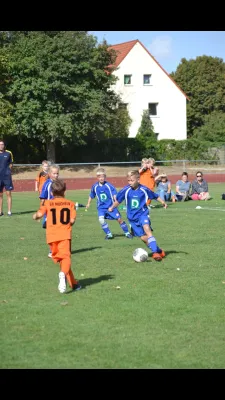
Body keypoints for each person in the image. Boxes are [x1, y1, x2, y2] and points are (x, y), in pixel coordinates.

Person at [33, 179, 81, 294]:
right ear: (64, 191)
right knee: (66, 258)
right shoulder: (70, 204)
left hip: (51, 236)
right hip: (64, 234)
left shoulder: (47, 203)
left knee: (63, 260)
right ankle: (62, 275)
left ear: (51, 193)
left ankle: (73, 283)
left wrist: (35, 216)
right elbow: (72, 221)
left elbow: (39, 215)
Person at [108, 170, 167, 261]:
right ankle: (158, 250)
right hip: (132, 219)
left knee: (147, 229)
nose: (130, 183)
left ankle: (155, 253)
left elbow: (155, 196)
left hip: (143, 215)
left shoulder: (144, 189)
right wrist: (112, 207)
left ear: (138, 180)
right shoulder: (126, 190)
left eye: (132, 180)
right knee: (144, 238)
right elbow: (118, 201)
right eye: (128, 181)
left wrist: (163, 202)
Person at [86, 167, 133, 240]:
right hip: (101, 208)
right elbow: (91, 195)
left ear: (105, 177)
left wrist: (115, 204)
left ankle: (127, 233)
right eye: (99, 177)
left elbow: (114, 195)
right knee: (101, 220)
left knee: (119, 219)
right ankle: (109, 234)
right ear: (97, 177)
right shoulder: (95, 186)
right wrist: (88, 203)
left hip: (111, 206)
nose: (101, 178)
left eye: (103, 176)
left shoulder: (109, 185)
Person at [39, 164, 60, 257]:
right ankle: (51, 250)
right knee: (51, 232)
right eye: (54, 173)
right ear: (50, 174)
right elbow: (42, 198)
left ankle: (57, 249)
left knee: (58, 231)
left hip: (58, 211)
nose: (56, 175)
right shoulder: (47, 184)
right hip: (49, 212)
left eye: (57, 174)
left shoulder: (59, 184)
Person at [0, 139, 14, 216]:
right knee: (0, 195)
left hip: (7, 177)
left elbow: (11, 163)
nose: (1, 146)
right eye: (0, 144)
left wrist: (9, 171)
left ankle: (9, 211)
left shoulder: (9, 153)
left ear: (4, 145)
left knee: (8, 194)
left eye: (2, 144)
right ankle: (0, 211)